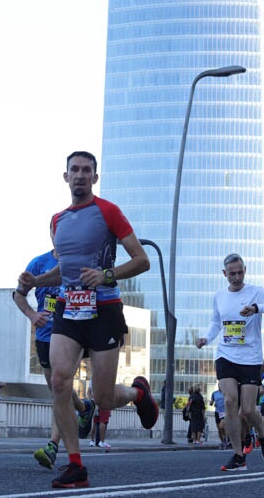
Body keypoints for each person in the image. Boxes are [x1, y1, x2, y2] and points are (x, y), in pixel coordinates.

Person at [18, 151, 157, 489]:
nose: (80, 175)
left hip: (104, 311)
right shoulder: (57, 220)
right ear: (65, 177)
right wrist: (35, 282)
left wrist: (107, 273)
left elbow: (142, 260)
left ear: (95, 178)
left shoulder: (108, 211)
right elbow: (63, 271)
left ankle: (138, 394)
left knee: (103, 397)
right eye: (74, 170)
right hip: (69, 309)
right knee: (60, 383)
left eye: (86, 171)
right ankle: (75, 464)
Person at [196, 252, 264, 471]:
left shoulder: (256, 292)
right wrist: (206, 338)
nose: (236, 277)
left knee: (247, 409)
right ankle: (238, 455)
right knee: (229, 401)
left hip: (250, 357)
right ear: (224, 273)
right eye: (231, 274)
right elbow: (216, 323)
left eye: (240, 272)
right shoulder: (219, 296)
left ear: (245, 270)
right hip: (225, 354)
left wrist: (257, 308)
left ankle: (263, 436)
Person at [12, 249, 94, 468]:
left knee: (61, 391)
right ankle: (84, 408)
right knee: (58, 389)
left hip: (71, 335)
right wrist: (32, 315)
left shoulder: (79, 260)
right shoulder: (39, 263)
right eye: (55, 231)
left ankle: (52, 446)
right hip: (45, 336)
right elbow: (18, 294)